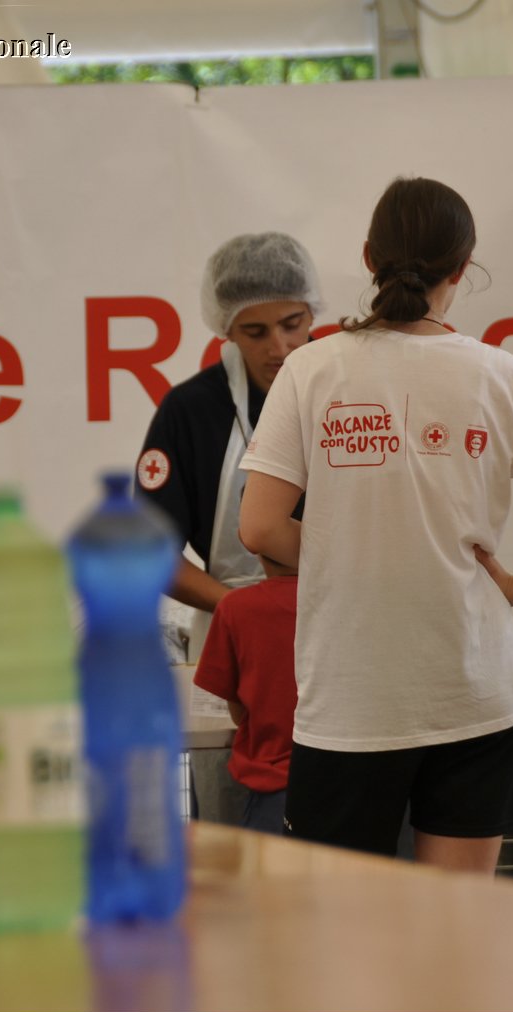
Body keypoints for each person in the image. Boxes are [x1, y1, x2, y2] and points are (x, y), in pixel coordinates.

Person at [238, 176, 513, 874]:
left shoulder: (310, 369)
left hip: (352, 701)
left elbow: (260, 527)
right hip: (475, 694)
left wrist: (343, 554)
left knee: (343, 936)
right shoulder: (501, 376)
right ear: (462, 268)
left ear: (369, 256)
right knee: (456, 934)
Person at [135, 231, 322, 823]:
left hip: (341, 629)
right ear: (225, 330)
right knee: (233, 818)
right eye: (256, 331)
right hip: (233, 638)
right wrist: (244, 613)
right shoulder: (190, 411)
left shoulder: (349, 394)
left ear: (313, 310)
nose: (281, 346)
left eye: (293, 323)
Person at [191, 549, 299, 835]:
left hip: (275, 788)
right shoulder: (351, 603)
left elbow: (238, 712)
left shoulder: (236, 608)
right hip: (356, 784)